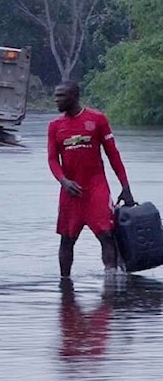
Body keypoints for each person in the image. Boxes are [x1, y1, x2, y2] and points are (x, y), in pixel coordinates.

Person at [47, 81, 134, 278]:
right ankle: (65, 285)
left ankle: (111, 281)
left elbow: (113, 154)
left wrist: (125, 186)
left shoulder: (97, 119)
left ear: (75, 97)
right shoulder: (55, 126)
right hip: (71, 191)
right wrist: (63, 181)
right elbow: (52, 160)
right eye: (55, 96)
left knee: (106, 236)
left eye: (61, 96)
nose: (56, 100)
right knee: (66, 240)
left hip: (96, 188)